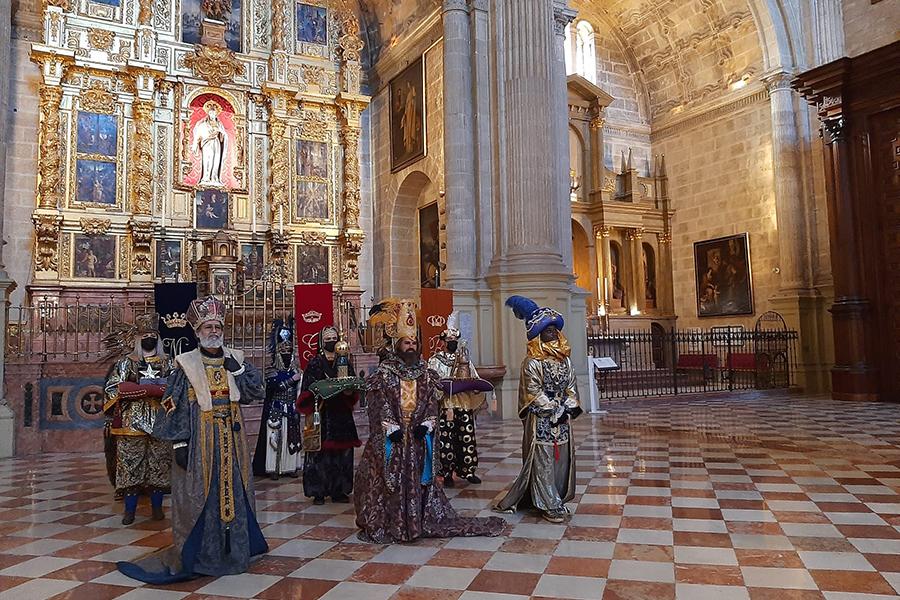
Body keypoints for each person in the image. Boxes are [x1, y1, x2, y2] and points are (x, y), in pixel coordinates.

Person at [117, 295, 267, 584]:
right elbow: (174, 404)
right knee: (202, 496)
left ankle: (234, 553)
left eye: (217, 327)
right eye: (208, 327)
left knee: (235, 494)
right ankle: (203, 555)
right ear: (197, 332)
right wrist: (180, 442)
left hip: (233, 440)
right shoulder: (185, 364)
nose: (214, 331)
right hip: (201, 439)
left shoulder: (236, 359)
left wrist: (236, 369)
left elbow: (256, 392)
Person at [354, 298, 504, 543]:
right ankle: (393, 521)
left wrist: (427, 423)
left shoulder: (426, 374)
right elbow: (379, 403)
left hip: (417, 438)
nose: (411, 346)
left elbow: (430, 403)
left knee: (419, 481)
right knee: (389, 481)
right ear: (397, 344)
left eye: (414, 342)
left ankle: (416, 521)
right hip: (393, 437)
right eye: (406, 342)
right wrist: (390, 425)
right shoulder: (384, 373)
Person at [493, 296, 582, 524]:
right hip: (542, 419)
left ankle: (556, 497)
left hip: (562, 418)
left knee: (561, 460)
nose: (553, 333)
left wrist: (569, 406)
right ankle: (548, 503)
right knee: (543, 460)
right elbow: (532, 392)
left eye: (554, 330)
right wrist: (552, 409)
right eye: (548, 330)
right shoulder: (532, 362)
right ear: (539, 334)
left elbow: (572, 387)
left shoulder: (565, 361)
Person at [103, 313, 173, 525]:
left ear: (158, 338)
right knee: (130, 465)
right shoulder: (126, 362)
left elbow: (176, 388)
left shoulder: (168, 362)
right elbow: (112, 387)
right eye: (145, 335)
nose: (149, 338)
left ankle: (157, 509)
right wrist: (134, 390)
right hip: (131, 422)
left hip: (160, 421)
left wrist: (160, 390)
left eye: (152, 335)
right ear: (137, 338)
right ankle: (130, 510)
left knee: (159, 465)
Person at [297, 326, 362, 504]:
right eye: (328, 339)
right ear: (321, 342)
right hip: (322, 412)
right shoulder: (315, 363)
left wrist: (349, 390)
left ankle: (339, 490)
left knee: (343, 454)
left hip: (341, 414)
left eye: (334, 338)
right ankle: (318, 491)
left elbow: (352, 383)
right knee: (319, 455)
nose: (332, 341)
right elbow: (307, 389)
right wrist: (321, 391)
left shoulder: (345, 362)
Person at [427, 312, 490, 487]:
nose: (453, 342)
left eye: (455, 339)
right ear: (443, 342)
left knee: (467, 437)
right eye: (450, 340)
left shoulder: (464, 359)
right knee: (446, 440)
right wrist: (441, 389)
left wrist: (475, 386)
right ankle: (447, 472)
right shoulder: (435, 360)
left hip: (464, 404)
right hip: (446, 405)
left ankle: (468, 471)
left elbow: (474, 377)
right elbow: (431, 381)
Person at [252, 319, 301, 480]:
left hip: (292, 408)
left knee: (291, 438)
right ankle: (273, 468)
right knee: (274, 439)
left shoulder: (295, 370)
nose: (287, 352)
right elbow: (275, 386)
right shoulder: (271, 370)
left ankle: (290, 467)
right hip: (276, 409)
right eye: (283, 350)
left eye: (289, 350)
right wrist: (292, 380)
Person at [192, 101, 226, 187]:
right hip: (207, 144)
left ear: (216, 114)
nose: (212, 114)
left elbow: (223, 137)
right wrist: (195, 144)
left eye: (213, 113)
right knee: (208, 160)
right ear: (208, 113)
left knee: (216, 161)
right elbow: (198, 134)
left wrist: (221, 133)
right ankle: (206, 178)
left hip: (216, 143)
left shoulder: (219, 124)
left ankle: (214, 178)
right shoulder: (203, 124)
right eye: (210, 113)